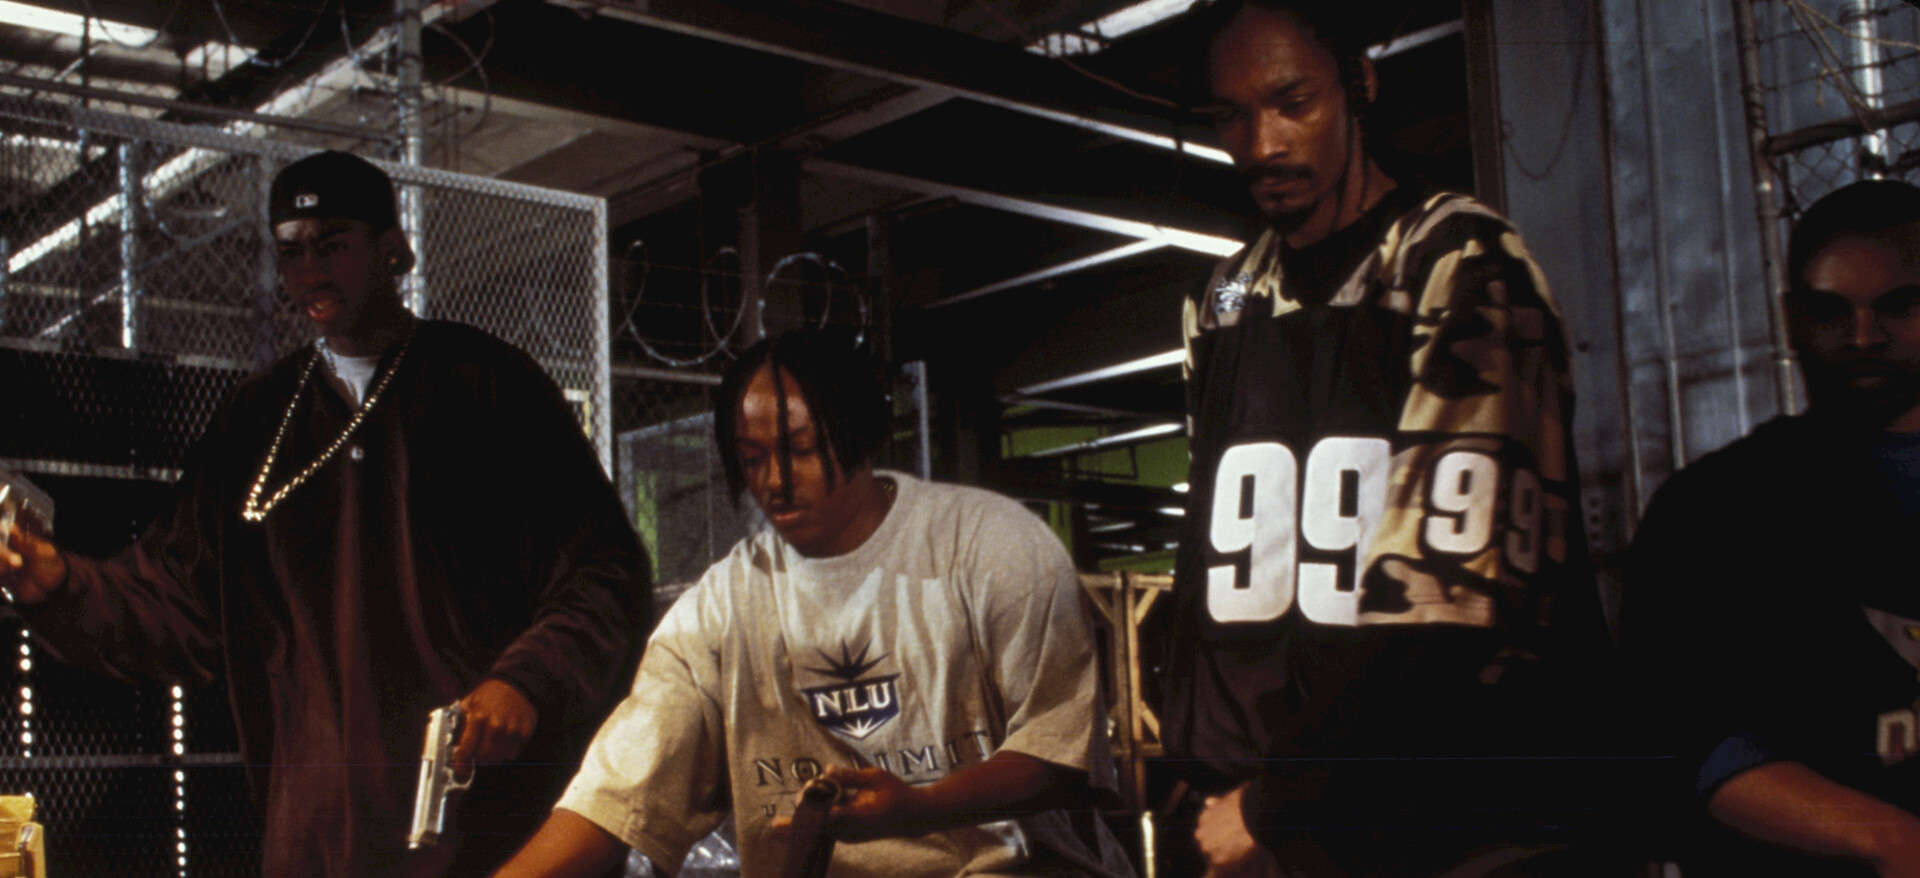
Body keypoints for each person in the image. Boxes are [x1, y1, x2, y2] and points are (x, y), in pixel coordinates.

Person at [0, 150, 649, 877]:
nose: (310, 271)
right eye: (291, 251)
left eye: (333, 244)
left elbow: (603, 570)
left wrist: (526, 680)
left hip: (483, 827)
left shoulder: (485, 384)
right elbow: (176, 601)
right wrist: (59, 584)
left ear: (392, 248)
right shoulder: (258, 420)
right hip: (320, 836)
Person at [1159, 2, 1609, 875]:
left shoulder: (1460, 258)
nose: (1262, 144)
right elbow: (1218, 574)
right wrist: (1216, 779)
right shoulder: (1225, 299)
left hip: (1455, 824)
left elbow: (1451, 596)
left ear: (1358, 85)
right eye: (1231, 116)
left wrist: (1277, 797)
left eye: (1293, 102)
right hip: (1286, 820)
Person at [491, 329, 1135, 878]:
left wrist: (920, 805)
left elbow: (1059, 756)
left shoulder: (990, 544)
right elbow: (610, 800)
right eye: (752, 460)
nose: (775, 482)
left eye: (801, 450)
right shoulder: (720, 609)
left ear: (860, 435)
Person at [1621, 179, 1920, 877]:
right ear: (1790, 318)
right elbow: (1690, 741)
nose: (1862, 336)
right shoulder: (1715, 508)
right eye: (1829, 310)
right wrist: (1891, 839)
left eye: (1899, 305)